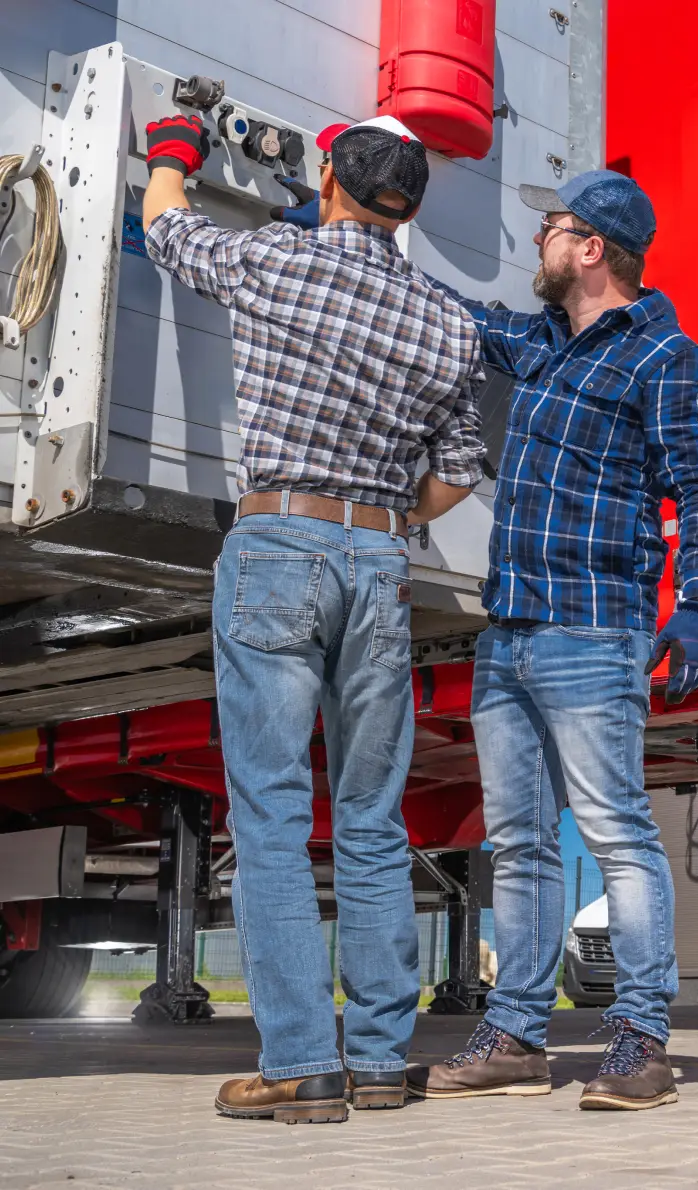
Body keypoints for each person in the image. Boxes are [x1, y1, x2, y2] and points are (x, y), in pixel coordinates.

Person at [141, 112, 485, 1123]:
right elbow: (458, 474)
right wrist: (376, 521)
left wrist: (172, 147)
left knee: (275, 817)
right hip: (378, 559)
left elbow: (166, 227)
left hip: (278, 547)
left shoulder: (276, 264)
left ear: (329, 177)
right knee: (372, 820)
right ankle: (379, 1058)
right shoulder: (447, 321)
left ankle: (300, 1061)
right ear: (410, 206)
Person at [404, 170, 698, 1110]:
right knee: (518, 843)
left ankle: (639, 1041)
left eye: (551, 227)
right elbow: (460, 317)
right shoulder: (541, 341)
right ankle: (514, 1034)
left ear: (592, 248)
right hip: (508, 630)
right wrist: (353, 239)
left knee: (616, 833)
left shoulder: (663, 357)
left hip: (595, 626)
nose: (538, 239)